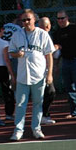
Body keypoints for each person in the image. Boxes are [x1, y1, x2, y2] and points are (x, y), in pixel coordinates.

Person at [8, 9, 54, 140]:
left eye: (28, 19)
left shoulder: (42, 34)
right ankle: (18, 130)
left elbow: (49, 55)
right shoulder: (17, 35)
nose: (26, 22)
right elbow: (11, 52)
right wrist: (18, 54)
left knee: (38, 103)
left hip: (38, 75)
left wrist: (49, 73)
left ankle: (36, 128)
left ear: (34, 20)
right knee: (21, 104)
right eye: (24, 20)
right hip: (23, 75)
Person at [53, 10, 76, 119]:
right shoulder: (57, 32)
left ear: (67, 18)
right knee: (69, 88)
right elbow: (57, 48)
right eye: (58, 19)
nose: (60, 21)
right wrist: (56, 64)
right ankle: (74, 111)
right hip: (65, 61)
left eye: (62, 18)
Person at [38, 16, 58, 125]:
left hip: (44, 68)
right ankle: (42, 115)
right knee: (49, 92)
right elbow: (49, 53)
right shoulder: (43, 35)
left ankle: (44, 114)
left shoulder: (45, 35)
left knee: (49, 92)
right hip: (41, 69)